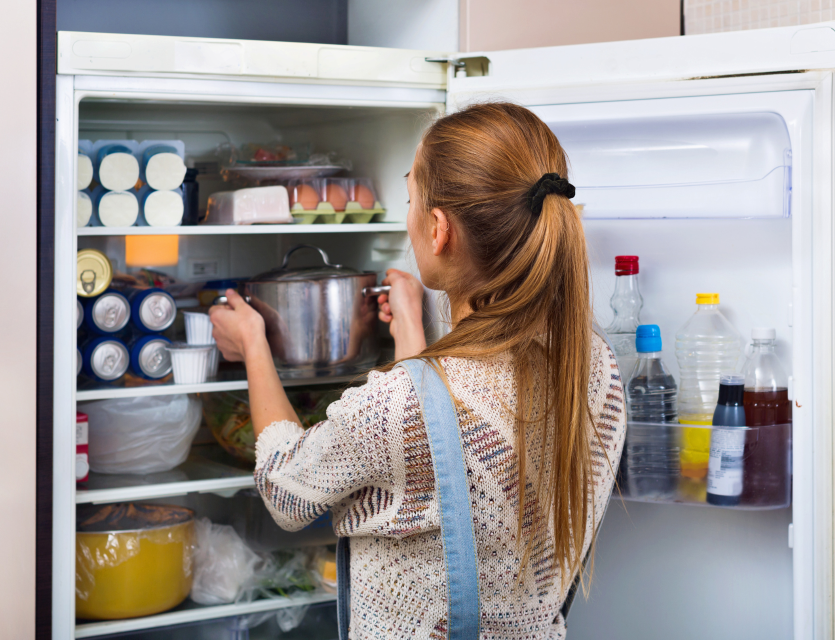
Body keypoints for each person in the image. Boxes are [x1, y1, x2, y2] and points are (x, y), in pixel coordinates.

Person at [209, 102, 627, 639]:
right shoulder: (593, 366)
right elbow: (442, 453)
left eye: (411, 201)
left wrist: (254, 342)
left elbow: (285, 490)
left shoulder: (394, 404)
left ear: (438, 230)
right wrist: (411, 327)